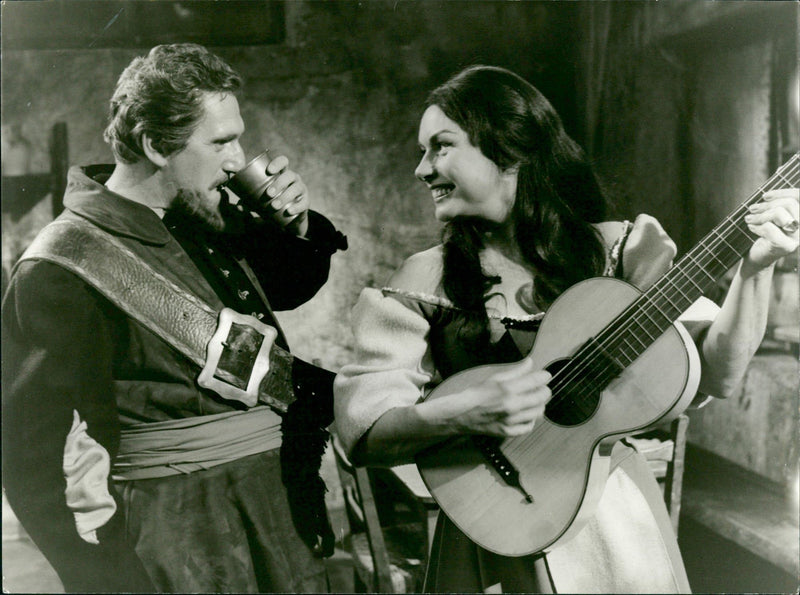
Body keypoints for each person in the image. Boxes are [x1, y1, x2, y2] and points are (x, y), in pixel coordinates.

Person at [333, 65, 799, 593]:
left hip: (617, 534)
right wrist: (462, 410)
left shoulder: (622, 253)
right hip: (495, 532)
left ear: (508, 149)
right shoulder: (423, 281)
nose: (422, 169)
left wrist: (756, 270)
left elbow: (714, 376)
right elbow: (362, 432)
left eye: (440, 146)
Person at [2, 43, 347, 593]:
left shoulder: (205, 215)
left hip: (277, 507)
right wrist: (102, 576)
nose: (239, 158)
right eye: (221, 142)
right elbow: (33, 459)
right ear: (153, 145)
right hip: (177, 534)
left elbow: (287, 285)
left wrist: (298, 223)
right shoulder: (60, 266)